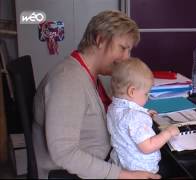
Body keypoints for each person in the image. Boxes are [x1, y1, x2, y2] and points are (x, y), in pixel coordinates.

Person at [33, 10, 160, 179]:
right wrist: (126, 175)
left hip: (107, 160)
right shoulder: (68, 81)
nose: (126, 58)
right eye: (123, 48)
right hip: (76, 174)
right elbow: (64, 153)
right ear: (100, 40)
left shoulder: (89, 74)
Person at [107, 58, 180, 175]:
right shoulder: (136, 117)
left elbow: (127, 116)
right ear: (132, 91)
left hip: (122, 165)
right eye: (146, 93)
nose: (147, 97)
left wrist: (145, 112)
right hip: (141, 170)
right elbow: (147, 146)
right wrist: (168, 133)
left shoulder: (113, 108)